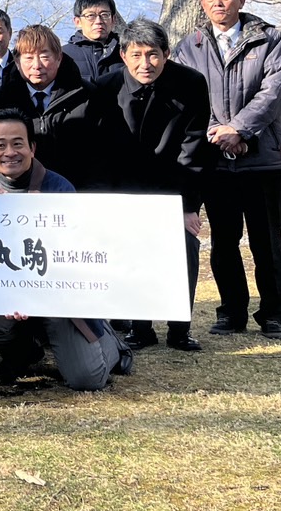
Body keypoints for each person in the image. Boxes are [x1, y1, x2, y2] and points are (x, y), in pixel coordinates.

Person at [0, 110, 128, 390]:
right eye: (0, 145)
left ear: (32, 148)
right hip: (2, 294)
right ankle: (24, 350)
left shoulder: (58, 188)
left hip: (57, 298)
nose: (9, 152)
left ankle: (112, 345)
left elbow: (73, 253)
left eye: (18, 143)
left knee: (87, 380)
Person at [173, 0, 281, 339]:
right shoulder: (189, 46)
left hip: (262, 159)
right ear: (202, 4)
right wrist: (219, 133)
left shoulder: (268, 38)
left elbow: (274, 91)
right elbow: (186, 97)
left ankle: (273, 313)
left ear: (241, 0)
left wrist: (239, 130)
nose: (219, 2)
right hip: (215, 162)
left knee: (266, 239)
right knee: (224, 241)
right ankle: (231, 312)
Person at [89, 18, 210, 353]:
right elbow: (99, 153)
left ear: (167, 54)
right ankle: (140, 329)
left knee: (186, 248)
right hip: (124, 189)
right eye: (137, 55)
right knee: (132, 254)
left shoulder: (191, 83)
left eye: (153, 54)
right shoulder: (105, 88)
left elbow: (194, 147)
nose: (146, 63)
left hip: (174, 184)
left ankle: (180, 329)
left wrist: (187, 207)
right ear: (124, 55)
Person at [0, 25, 96, 188]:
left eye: (45, 56)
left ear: (59, 58)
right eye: (29, 58)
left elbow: (103, 152)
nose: (37, 65)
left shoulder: (87, 95)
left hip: (77, 191)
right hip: (20, 194)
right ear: (17, 61)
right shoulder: (1, 99)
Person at [65, 0, 123, 83]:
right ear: (77, 21)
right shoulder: (64, 55)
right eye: (90, 16)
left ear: (113, 19)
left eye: (104, 15)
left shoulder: (126, 50)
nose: (98, 21)